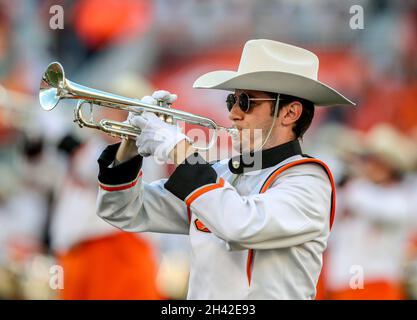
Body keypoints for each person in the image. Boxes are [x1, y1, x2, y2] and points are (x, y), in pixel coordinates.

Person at [96, 39, 355, 299]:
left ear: (290, 113)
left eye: (246, 101)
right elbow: (122, 210)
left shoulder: (309, 180)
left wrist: (178, 147)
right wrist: (129, 144)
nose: (232, 113)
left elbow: (239, 224)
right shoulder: (221, 173)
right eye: (231, 100)